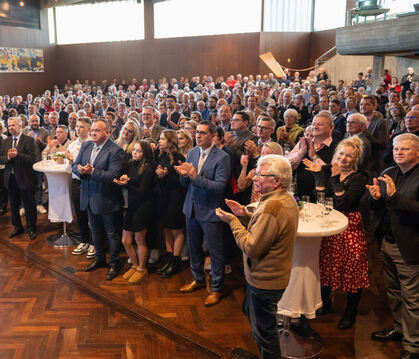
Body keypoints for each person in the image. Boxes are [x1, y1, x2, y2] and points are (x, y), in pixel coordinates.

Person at [215, 154, 298, 359]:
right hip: (267, 278)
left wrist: (233, 221)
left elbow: (252, 247)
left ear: (277, 181)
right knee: (253, 316)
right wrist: (245, 215)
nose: (255, 178)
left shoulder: (272, 207)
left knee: (265, 334)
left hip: (265, 282)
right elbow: (268, 229)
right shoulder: (284, 199)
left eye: (260, 175)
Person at [304, 136, 369, 329]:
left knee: (352, 269)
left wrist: (332, 176)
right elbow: (320, 197)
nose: (343, 158)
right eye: (341, 153)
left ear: (356, 159)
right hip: (329, 223)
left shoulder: (360, 177)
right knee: (325, 264)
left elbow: (343, 203)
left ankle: (350, 312)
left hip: (350, 227)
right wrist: (319, 177)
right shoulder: (327, 170)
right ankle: (325, 303)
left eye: (349, 156)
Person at [367, 134, 419, 359]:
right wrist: (376, 198)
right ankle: (399, 329)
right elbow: (378, 208)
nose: (398, 152)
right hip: (386, 241)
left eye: (404, 149)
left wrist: (395, 197)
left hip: (409, 245)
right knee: (393, 291)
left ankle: (413, 346)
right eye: (396, 148)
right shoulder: (389, 172)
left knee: (412, 300)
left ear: (417, 152)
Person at [175, 121, 231, 306]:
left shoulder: (222, 157)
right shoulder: (192, 152)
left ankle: (216, 288)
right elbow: (186, 184)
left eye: (202, 133)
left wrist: (194, 177)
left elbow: (220, 187)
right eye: (197, 132)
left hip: (210, 210)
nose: (197, 136)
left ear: (213, 135)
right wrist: (183, 176)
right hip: (191, 207)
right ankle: (198, 278)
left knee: (215, 252)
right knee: (194, 248)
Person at [72, 118, 125, 281]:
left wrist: (92, 171)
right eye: (92, 130)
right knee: (95, 230)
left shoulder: (116, 150)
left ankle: (114, 264)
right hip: (88, 196)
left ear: (107, 132)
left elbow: (114, 175)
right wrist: (80, 170)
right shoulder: (87, 145)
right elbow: (75, 165)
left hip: (106, 198)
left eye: (97, 130)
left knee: (111, 233)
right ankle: (100, 259)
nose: (93, 133)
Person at [114, 140, 155, 284]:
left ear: (145, 153)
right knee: (125, 240)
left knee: (139, 240)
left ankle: (142, 268)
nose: (135, 153)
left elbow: (142, 192)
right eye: (134, 150)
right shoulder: (131, 164)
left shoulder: (149, 168)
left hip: (143, 207)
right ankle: (136, 265)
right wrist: (122, 181)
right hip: (132, 205)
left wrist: (127, 184)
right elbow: (128, 180)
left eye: (139, 151)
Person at [154, 129, 186, 279]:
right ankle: (168, 259)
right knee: (166, 229)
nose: (160, 141)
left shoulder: (179, 157)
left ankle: (175, 261)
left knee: (176, 230)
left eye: (162, 139)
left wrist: (167, 176)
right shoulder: (160, 156)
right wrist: (160, 177)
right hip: (163, 197)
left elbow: (183, 182)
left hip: (176, 197)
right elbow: (156, 177)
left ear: (171, 141)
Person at [0, 117, 37, 240]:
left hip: (25, 177)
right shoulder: (5, 142)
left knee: (29, 204)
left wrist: (18, 155)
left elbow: (32, 158)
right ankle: (17, 227)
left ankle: (31, 228)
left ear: (20, 126)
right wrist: (9, 157)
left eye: (13, 125)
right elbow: (1, 159)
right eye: (9, 125)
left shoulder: (29, 140)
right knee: (14, 205)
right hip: (10, 178)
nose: (11, 127)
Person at [67, 117, 94, 258]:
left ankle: (94, 242)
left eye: (82, 127)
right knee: (80, 213)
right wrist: (70, 161)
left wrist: (74, 163)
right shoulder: (72, 144)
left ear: (89, 129)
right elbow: (70, 166)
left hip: (88, 182)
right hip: (76, 182)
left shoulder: (92, 144)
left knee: (91, 215)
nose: (78, 129)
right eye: (77, 126)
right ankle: (84, 240)